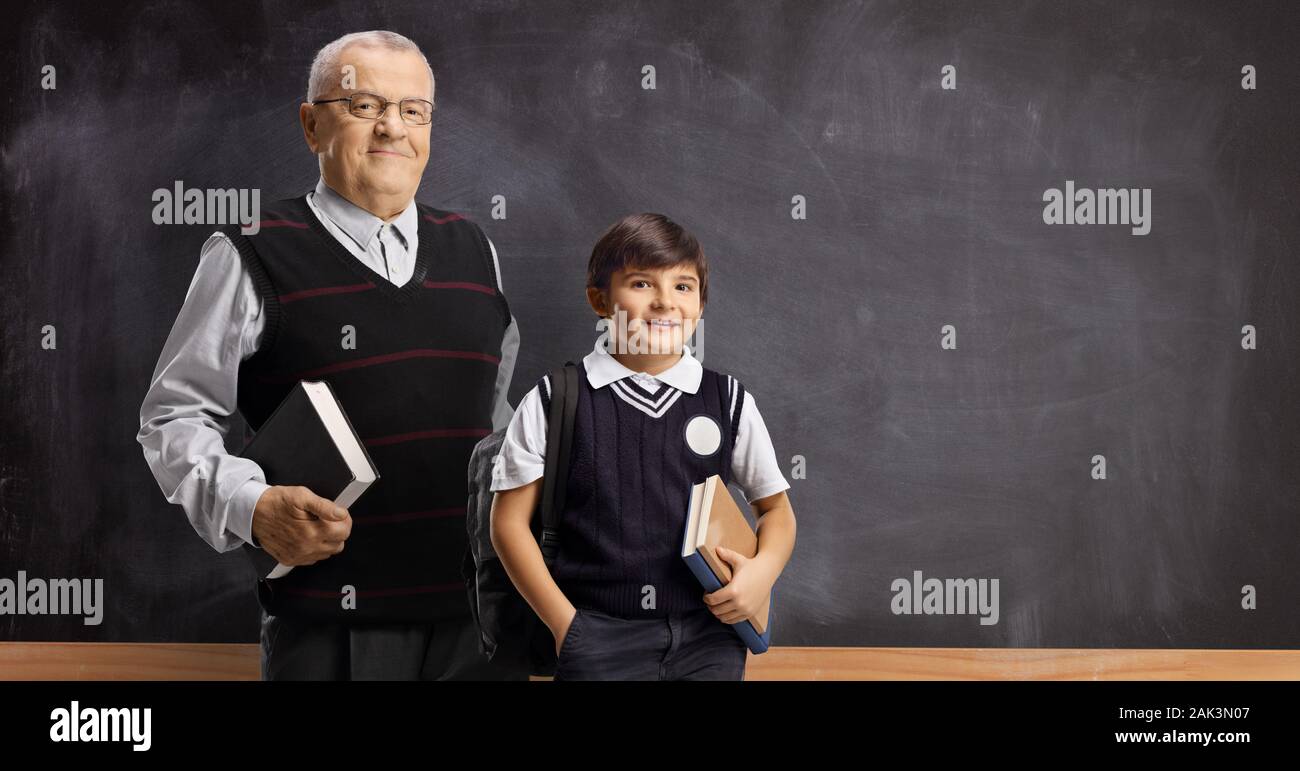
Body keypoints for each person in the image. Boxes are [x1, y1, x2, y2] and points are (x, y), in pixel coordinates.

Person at [137, 30, 522, 680]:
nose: (391, 129)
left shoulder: (475, 250)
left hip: (479, 626)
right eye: (363, 105)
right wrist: (251, 507)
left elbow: (494, 418)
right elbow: (172, 418)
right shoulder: (252, 252)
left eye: (412, 110)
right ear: (311, 124)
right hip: (331, 635)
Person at [489, 213, 797, 680]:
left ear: (701, 304)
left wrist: (763, 572)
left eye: (683, 286)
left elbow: (776, 510)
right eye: (640, 283)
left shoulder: (727, 399)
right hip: (597, 634)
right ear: (599, 299)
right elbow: (508, 524)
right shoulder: (556, 399)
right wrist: (565, 625)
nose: (664, 303)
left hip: (709, 635)